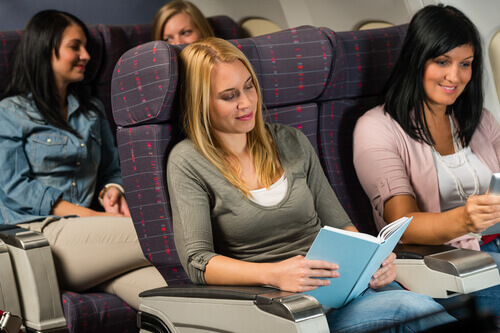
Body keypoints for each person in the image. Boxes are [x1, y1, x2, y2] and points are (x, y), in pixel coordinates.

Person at [166, 37, 455, 332]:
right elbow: (197, 262)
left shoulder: (290, 141)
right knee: (412, 311)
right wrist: (275, 274)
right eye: (229, 96)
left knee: (419, 307)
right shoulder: (188, 161)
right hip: (287, 308)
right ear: (201, 102)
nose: (246, 102)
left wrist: (372, 263)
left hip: (343, 288)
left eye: (249, 86)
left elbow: (341, 225)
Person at [0, 10, 166, 310]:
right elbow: (15, 189)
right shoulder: (9, 112)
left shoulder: (92, 110)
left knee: (171, 296)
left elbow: (111, 168)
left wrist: (111, 190)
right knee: (162, 229)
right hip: (39, 235)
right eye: (75, 46)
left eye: (86, 47)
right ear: (44, 49)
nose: (86, 55)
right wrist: (95, 217)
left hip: (92, 240)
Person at [353, 4, 500, 322]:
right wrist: (464, 220)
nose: (455, 76)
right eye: (442, 62)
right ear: (417, 61)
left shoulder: (480, 121)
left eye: (466, 64)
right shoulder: (377, 128)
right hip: (446, 265)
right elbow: (400, 226)